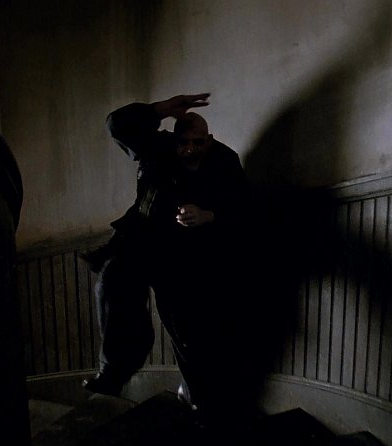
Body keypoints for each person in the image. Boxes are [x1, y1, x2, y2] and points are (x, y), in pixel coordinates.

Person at [82, 93, 252, 422]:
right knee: (113, 280)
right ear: (172, 140)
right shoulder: (156, 148)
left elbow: (244, 210)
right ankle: (114, 372)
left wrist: (209, 216)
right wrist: (160, 110)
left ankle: (199, 396)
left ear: (209, 140)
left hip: (188, 257)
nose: (189, 150)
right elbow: (116, 125)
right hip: (143, 240)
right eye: (183, 143)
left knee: (186, 326)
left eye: (198, 143)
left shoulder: (224, 161)